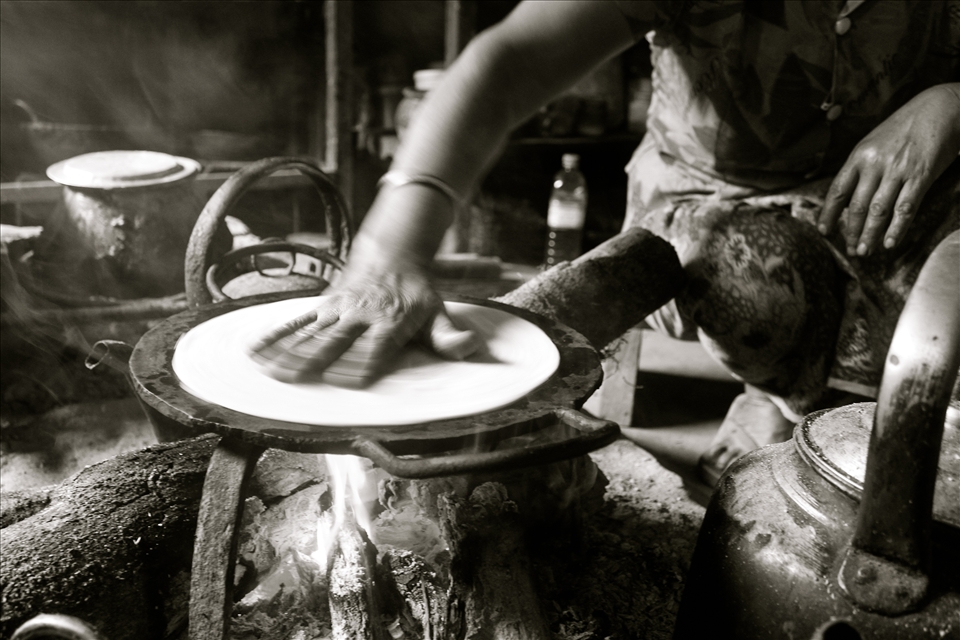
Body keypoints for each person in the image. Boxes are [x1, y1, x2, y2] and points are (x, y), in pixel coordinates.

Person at [251, 0, 960, 485]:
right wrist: (390, 248)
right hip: (722, 198)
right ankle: (782, 399)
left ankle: (803, 410)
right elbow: (507, 65)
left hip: (917, 183)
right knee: (757, 291)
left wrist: (951, 102)